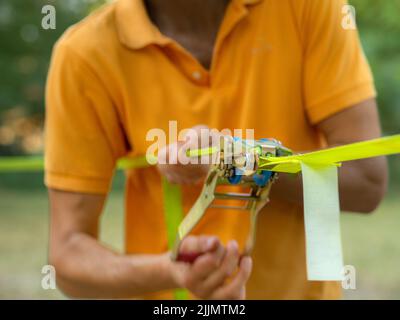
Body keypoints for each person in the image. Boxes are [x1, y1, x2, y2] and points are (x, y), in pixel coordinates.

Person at [45, 0, 388, 299]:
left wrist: (237, 159)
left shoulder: (309, 6)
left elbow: (367, 183)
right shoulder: (84, 54)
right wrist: (171, 271)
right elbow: (68, 259)